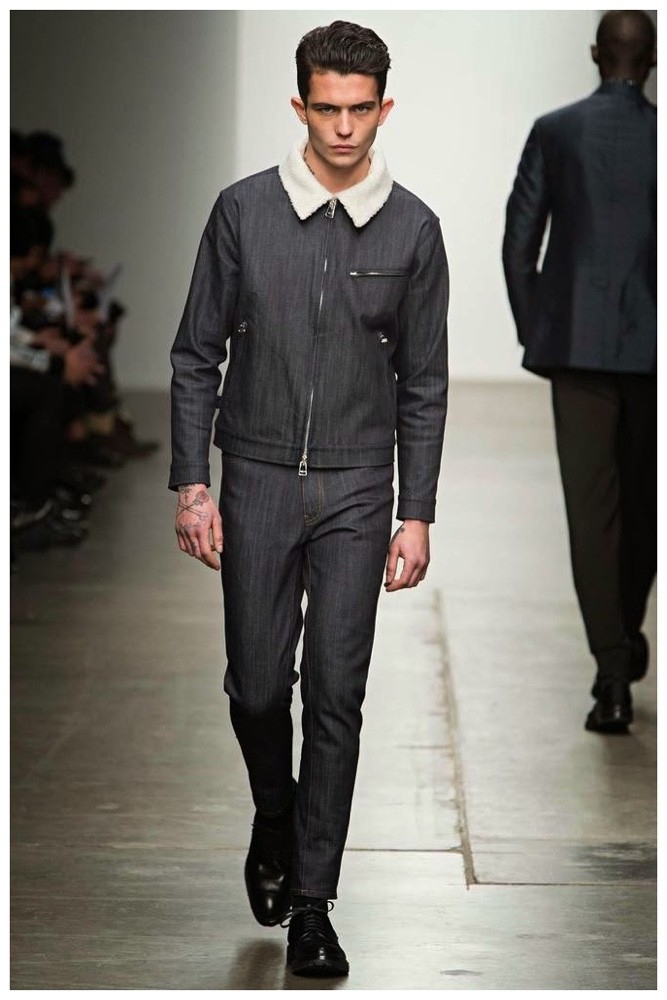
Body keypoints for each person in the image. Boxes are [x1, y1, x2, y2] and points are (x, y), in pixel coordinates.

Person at [170, 20, 448, 978]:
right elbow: (194, 353)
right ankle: (274, 813)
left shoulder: (412, 228)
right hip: (252, 475)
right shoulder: (242, 212)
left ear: (383, 107)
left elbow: (424, 379)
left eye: (359, 109)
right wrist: (193, 484)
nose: (342, 128)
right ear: (299, 105)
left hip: (359, 485)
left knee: (336, 694)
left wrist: (417, 511)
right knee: (256, 687)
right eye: (326, 108)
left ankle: (314, 906)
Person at [502, 10, 656, 735]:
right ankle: (625, 633)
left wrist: (537, 330)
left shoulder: (554, 131)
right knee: (647, 504)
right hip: (656, 350)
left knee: (591, 513)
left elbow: (518, 243)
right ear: (652, 61)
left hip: (576, 347)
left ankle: (611, 673)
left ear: (596, 54)